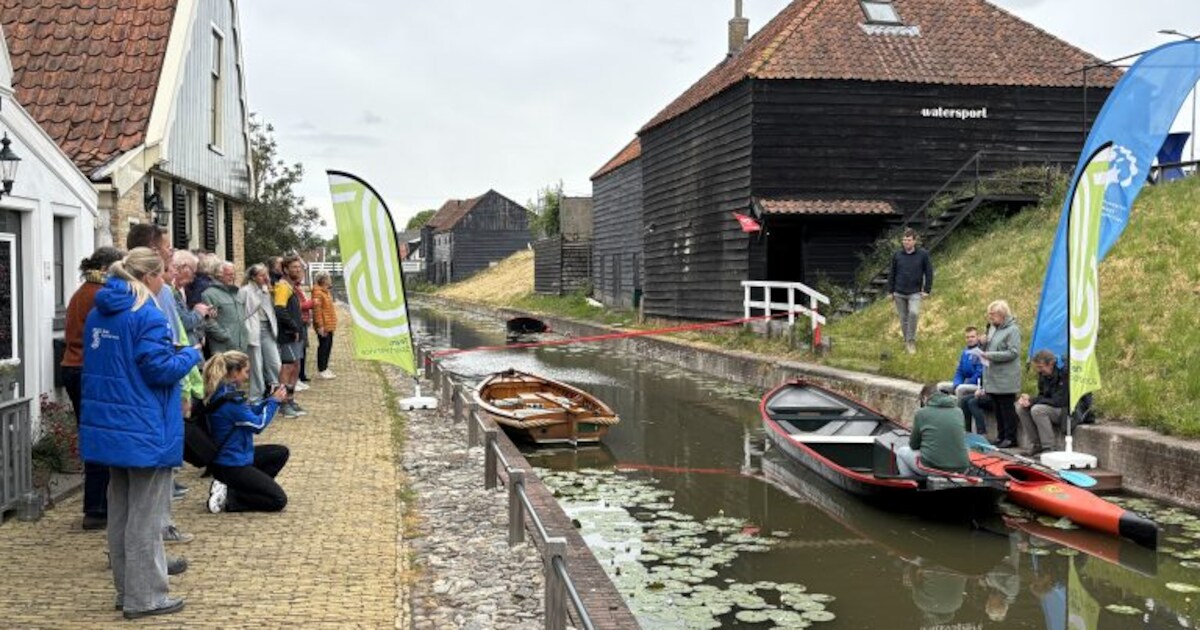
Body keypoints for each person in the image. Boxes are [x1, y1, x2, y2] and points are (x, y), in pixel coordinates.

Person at [80, 247, 202, 619]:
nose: (165, 281)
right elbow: (158, 370)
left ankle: (126, 589)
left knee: (120, 512)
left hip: (110, 425)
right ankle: (146, 596)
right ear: (148, 277)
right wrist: (191, 355)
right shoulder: (145, 314)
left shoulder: (98, 313)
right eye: (162, 274)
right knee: (146, 518)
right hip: (143, 425)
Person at [62, 246, 124, 531]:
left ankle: (98, 505)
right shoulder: (99, 294)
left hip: (73, 366)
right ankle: (97, 508)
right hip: (87, 368)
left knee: (93, 434)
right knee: (99, 436)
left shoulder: (82, 291)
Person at [203, 351, 290, 513]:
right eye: (246, 372)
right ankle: (233, 496)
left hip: (237, 457)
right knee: (278, 500)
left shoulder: (223, 393)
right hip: (231, 464)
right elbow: (258, 425)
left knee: (279, 452)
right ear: (234, 372)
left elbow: (249, 412)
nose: (247, 376)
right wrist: (274, 403)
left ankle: (243, 488)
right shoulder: (230, 401)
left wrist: (269, 400)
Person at [894, 383, 970, 478]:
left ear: (925, 397)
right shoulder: (959, 412)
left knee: (901, 452)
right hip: (962, 469)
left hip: (933, 468)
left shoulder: (922, 413)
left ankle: (912, 484)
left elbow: (913, 445)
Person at [979, 300, 1023, 449]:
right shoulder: (992, 328)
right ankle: (1001, 435)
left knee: (1006, 408)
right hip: (993, 376)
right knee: (997, 408)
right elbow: (988, 348)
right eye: (989, 315)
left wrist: (989, 355)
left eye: (993, 315)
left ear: (1002, 315)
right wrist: (982, 343)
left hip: (1006, 377)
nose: (990, 318)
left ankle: (1010, 438)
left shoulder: (1013, 330)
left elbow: (1013, 352)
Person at [887, 228, 933, 354]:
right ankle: (908, 342)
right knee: (903, 318)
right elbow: (892, 273)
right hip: (899, 292)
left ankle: (910, 341)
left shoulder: (923, 254)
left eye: (908, 240)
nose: (906, 242)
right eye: (904, 240)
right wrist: (890, 291)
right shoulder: (897, 255)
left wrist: (927, 290)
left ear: (914, 241)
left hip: (915, 292)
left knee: (913, 313)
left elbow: (929, 272)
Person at [239, 264, 281, 401]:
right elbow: (240, 312)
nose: (265, 278)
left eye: (266, 274)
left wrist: (270, 291)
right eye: (262, 275)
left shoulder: (266, 290)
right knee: (256, 365)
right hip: (253, 329)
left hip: (267, 329)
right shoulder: (245, 291)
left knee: (274, 362)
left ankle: (276, 390)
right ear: (253, 277)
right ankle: (255, 396)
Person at [1016, 349, 1068, 456]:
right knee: (1020, 408)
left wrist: (1033, 401)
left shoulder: (1064, 374)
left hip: (1064, 410)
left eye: (1041, 367)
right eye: (1037, 367)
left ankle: (1049, 448)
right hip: (1051, 406)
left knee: (1038, 410)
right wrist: (1028, 400)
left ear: (1051, 364)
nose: (1039, 370)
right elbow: (1042, 395)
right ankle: (1036, 445)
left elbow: (1059, 401)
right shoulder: (1043, 375)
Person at [274, 255, 308, 418]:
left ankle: (290, 398)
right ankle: (283, 404)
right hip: (288, 334)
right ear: (285, 270)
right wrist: (293, 327)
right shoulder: (282, 286)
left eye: (299, 267)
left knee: (296, 367)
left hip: (296, 333)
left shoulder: (291, 286)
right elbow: (280, 309)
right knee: (287, 367)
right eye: (294, 267)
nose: (297, 270)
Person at [937, 326, 985, 430]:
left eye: (972, 336)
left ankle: (959, 424)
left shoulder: (981, 353)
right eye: (967, 337)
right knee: (940, 387)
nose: (970, 339)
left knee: (960, 389)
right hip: (963, 383)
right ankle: (940, 418)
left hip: (976, 385)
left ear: (977, 337)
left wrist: (965, 383)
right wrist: (956, 383)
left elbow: (979, 373)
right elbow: (959, 371)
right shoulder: (964, 352)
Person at [201, 261, 248, 354]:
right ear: (219, 275)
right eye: (229, 274)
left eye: (233, 274)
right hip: (222, 348)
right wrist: (225, 336)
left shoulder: (236, 293)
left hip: (240, 346)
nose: (232, 277)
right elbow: (208, 322)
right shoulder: (209, 294)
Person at [312, 271, 338, 379]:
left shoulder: (326, 292)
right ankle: (322, 369)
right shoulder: (318, 292)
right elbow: (317, 311)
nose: (330, 279)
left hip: (329, 324)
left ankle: (325, 367)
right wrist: (320, 325)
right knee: (323, 346)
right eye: (328, 278)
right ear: (323, 280)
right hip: (324, 325)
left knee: (328, 346)